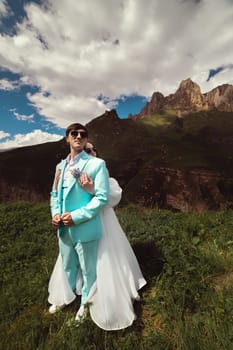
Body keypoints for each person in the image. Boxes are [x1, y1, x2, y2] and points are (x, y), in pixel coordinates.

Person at [48, 141, 147, 330]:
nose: (91, 152)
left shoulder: (105, 177)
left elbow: (113, 198)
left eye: (93, 149)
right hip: (78, 223)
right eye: (86, 150)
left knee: (103, 258)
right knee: (71, 259)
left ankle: (93, 298)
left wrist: (92, 188)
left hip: (103, 223)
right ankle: (67, 293)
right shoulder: (70, 172)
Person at [49, 124, 109, 321]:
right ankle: (65, 297)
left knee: (88, 269)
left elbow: (101, 198)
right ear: (67, 138)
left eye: (83, 134)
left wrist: (76, 216)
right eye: (74, 133)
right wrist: (56, 214)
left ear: (86, 139)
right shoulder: (60, 167)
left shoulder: (96, 164)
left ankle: (85, 305)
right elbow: (55, 194)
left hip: (85, 227)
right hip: (63, 229)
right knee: (67, 264)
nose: (78, 136)